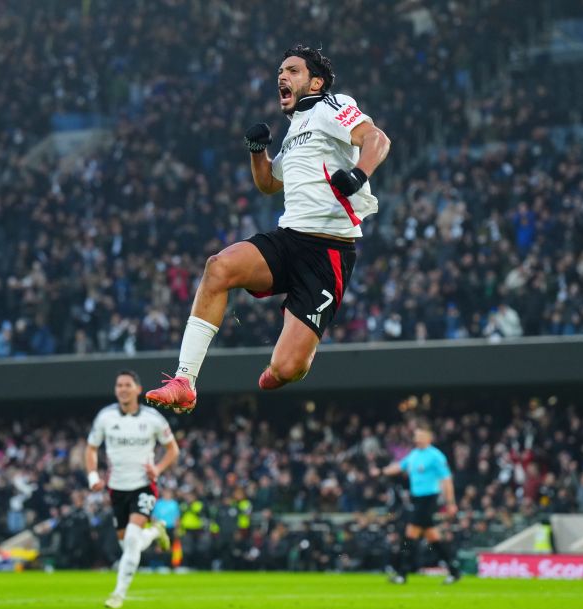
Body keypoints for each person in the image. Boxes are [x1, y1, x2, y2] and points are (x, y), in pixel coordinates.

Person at [145, 44, 391, 413]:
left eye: (292, 70)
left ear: (316, 82)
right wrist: (257, 151)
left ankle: (285, 365)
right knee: (219, 267)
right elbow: (269, 184)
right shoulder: (294, 132)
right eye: (280, 72)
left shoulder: (330, 106)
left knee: (288, 368)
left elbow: (377, 139)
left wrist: (357, 175)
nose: (282, 76)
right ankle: (185, 381)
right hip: (289, 238)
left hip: (328, 253)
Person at [86, 370, 181, 608]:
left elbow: (173, 450)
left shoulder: (153, 418)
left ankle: (118, 595)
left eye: (128, 385)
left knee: (130, 539)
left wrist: (157, 469)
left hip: (143, 486)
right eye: (119, 385)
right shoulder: (105, 417)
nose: (123, 389)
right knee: (129, 543)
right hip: (117, 489)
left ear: (138, 389)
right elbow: (90, 448)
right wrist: (92, 477)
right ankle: (155, 531)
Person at [371, 423, 461, 584]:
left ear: (429, 438)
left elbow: (447, 480)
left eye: (420, 436)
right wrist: (381, 471)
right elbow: (400, 466)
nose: (417, 439)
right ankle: (454, 571)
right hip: (417, 499)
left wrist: (450, 503)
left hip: (429, 499)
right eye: (416, 436)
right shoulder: (414, 454)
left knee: (410, 534)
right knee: (432, 537)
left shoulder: (436, 456)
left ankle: (402, 573)